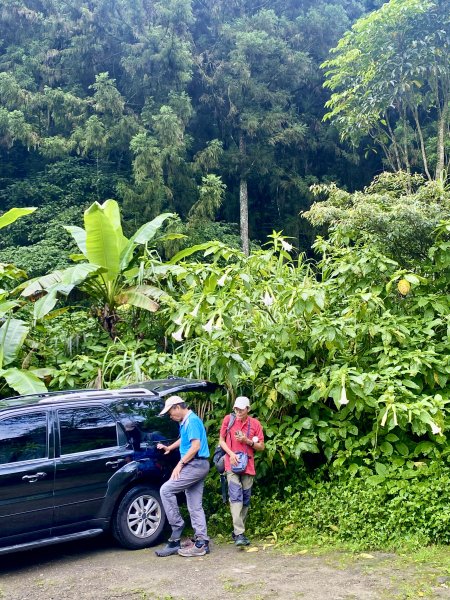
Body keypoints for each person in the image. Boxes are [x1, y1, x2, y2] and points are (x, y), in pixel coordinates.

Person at [154, 395, 211, 557]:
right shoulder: (186, 422)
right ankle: (202, 542)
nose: (170, 417)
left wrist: (180, 464)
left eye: (171, 413)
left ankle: (177, 529)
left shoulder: (191, 421)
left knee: (166, 490)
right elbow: (184, 440)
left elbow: (195, 446)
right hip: (199, 465)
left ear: (177, 407)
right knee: (194, 504)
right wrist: (169, 448)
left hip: (195, 464)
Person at [219, 395, 264, 546]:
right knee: (236, 497)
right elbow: (221, 441)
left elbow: (261, 447)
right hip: (231, 464)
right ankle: (240, 534)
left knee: (245, 499)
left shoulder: (255, 424)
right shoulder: (228, 420)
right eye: (236, 408)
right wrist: (231, 454)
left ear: (248, 409)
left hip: (248, 465)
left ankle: (238, 531)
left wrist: (247, 441)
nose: (238, 411)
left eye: (241, 409)